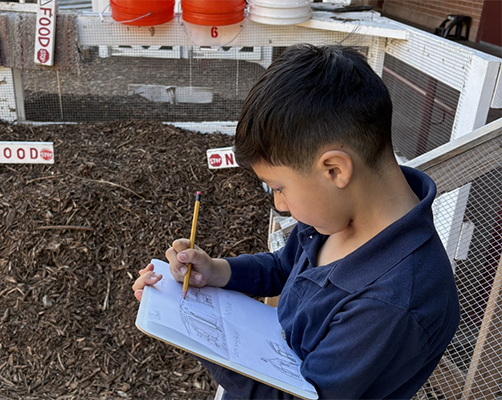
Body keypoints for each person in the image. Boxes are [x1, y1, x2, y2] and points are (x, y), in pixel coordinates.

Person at [132, 44, 460, 400]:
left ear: (335, 169)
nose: (279, 204)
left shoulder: (392, 303)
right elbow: (285, 266)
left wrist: (193, 332)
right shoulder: (337, 214)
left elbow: (297, 397)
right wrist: (217, 272)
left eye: (279, 188)